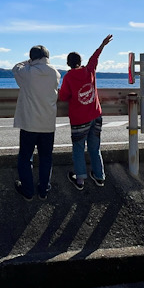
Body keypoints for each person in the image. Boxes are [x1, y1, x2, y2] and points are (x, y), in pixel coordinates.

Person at [59, 34, 113, 191]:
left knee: (78, 148)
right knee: (95, 148)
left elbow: (63, 96)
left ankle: (80, 179)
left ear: (68, 64)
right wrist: (102, 44)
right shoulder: (89, 70)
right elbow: (95, 57)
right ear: (80, 62)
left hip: (79, 120)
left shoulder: (68, 77)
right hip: (95, 116)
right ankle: (99, 176)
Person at [12, 44, 60, 200]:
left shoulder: (28, 72)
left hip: (29, 124)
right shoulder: (55, 73)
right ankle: (44, 190)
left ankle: (28, 191)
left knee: (25, 157)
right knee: (46, 158)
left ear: (33, 58)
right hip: (48, 124)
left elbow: (16, 68)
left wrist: (28, 62)